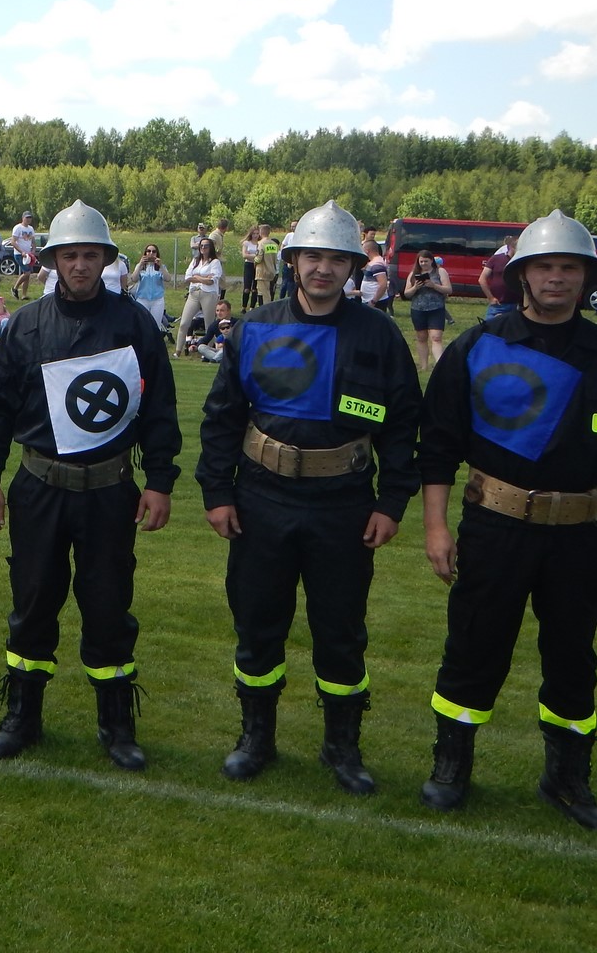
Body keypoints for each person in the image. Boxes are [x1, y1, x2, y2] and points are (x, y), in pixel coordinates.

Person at [417, 210, 597, 831]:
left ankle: (567, 779)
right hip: (495, 526)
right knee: (474, 646)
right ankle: (451, 766)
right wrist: (436, 527)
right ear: (522, 275)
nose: (557, 278)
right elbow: (439, 444)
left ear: (588, 278)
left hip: (580, 535)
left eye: (569, 268)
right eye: (545, 267)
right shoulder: (479, 346)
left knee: (573, 657)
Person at [197, 199, 420, 795]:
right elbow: (222, 417)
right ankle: (256, 737)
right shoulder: (256, 326)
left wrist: (391, 503)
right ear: (293, 262)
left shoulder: (378, 335)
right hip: (261, 500)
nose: (323, 268)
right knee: (257, 622)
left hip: (344, 504)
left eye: (336, 259)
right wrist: (218, 491)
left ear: (353, 267)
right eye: (312, 257)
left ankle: (341, 746)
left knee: (341, 630)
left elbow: (403, 426)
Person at [0, 199, 179, 770]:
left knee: (109, 605)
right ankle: (22, 716)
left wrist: (159, 480)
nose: (81, 265)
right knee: (33, 601)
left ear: (106, 260)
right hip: (39, 486)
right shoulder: (27, 324)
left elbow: (159, 408)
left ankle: (117, 725)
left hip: (110, 490)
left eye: (91, 255)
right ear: (53, 261)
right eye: (70, 256)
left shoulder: (134, 323)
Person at [403, 249, 453, 371]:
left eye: (426, 261)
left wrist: (434, 286)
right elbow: (406, 293)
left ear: (431, 261)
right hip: (418, 309)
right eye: (421, 261)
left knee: (436, 337)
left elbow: (449, 289)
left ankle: (440, 366)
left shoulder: (440, 272)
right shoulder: (413, 274)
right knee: (421, 337)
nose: (423, 264)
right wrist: (415, 287)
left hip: (436, 308)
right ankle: (424, 366)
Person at [176, 238, 223, 358]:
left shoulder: (215, 262)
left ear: (210, 248)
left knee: (209, 325)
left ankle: (207, 352)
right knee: (184, 323)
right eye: (201, 246)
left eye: (206, 246)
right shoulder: (195, 261)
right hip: (194, 293)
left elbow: (211, 281)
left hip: (209, 294)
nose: (203, 248)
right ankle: (178, 351)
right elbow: (187, 277)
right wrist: (203, 278)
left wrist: (197, 277)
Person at [478, 233, 520, 321]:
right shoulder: (496, 259)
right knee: (490, 327)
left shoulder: (520, 262)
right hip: (499, 305)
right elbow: (482, 279)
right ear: (512, 247)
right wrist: (491, 298)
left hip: (517, 305)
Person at [129, 244, 169, 331]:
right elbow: (134, 279)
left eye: (154, 251)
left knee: (156, 325)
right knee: (142, 324)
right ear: (145, 253)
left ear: (157, 254)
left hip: (157, 300)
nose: (151, 253)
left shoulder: (160, 267)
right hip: (142, 299)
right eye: (148, 251)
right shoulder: (140, 266)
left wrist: (161, 266)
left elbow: (168, 279)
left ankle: (155, 339)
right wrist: (140, 265)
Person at [10, 212, 37, 299]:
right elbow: (13, 242)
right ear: (23, 218)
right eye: (27, 218)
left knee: (27, 275)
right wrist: (21, 252)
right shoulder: (18, 228)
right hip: (19, 254)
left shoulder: (31, 229)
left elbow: (33, 242)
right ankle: (15, 288)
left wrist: (33, 251)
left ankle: (24, 295)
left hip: (28, 255)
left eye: (30, 218)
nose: (28, 219)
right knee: (27, 273)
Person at [358, 240, 391, 311]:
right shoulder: (373, 262)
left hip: (376, 302)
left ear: (367, 251)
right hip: (369, 300)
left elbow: (383, 285)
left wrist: (373, 301)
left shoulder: (377, 264)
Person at [254, 225, 280, 307]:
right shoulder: (274, 244)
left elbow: (258, 258)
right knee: (269, 292)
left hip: (262, 271)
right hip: (272, 270)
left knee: (262, 293)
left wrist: (254, 263)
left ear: (261, 232)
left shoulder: (261, 243)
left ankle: (264, 309)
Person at [239, 226, 261, 311]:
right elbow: (244, 255)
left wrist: (250, 255)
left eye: (257, 233)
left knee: (255, 288)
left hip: (257, 266)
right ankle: (244, 306)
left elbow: (261, 256)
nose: (255, 235)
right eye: (254, 234)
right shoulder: (247, 243)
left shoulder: (260, 243)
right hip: (249, 265)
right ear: (251, 234)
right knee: (247, 288)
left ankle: (252, 307)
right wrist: (256, 255)